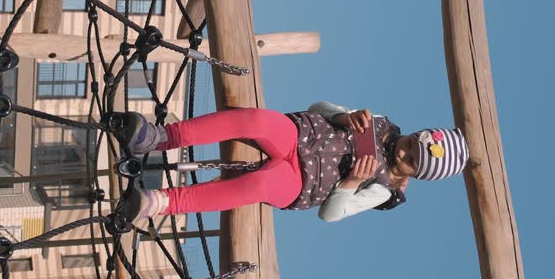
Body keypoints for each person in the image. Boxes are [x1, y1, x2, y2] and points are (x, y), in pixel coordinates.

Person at [116, 101, 469, 223]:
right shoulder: (381, 124)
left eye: (410, 160)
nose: (403, 152)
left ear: (415, 175)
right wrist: (344, 117)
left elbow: (330, 215)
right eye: (410, 144)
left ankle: (161, 202)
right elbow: (319, 107)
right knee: (255, 120)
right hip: (302, 134)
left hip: (300, 183)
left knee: (258, 185)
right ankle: (161, 137)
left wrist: (349, 184)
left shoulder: (381, 188)